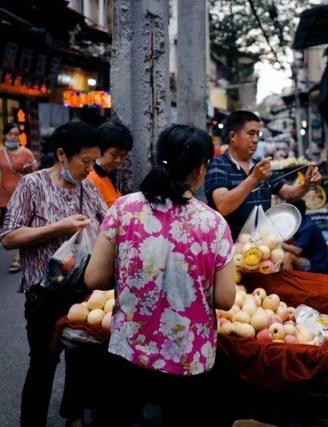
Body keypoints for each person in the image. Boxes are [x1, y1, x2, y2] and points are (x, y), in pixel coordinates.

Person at [84, 124, 236, 425]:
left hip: (129, 350)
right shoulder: (214, 224)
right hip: (188, 357)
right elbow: (225, 298)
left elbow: (94, 279)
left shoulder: (124, 209)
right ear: (201, 169)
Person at [0, 121, 107, 427]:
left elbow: (110, 223)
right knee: (43, 364)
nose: (90, 169)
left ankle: (72, 416)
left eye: (93, 162)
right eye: (85, 161)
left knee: (83, 358)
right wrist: (60, 227)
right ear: (62, 154)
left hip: (83, 292)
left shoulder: (88, 186)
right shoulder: (32, 185)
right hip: (45, 295)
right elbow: (9, 238)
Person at [204, 110, 322, 238]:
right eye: (251, 134)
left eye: (257, 134)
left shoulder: (260, 166)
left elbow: (288, 193)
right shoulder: (218, 165)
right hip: (230, 246)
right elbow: (223, 206)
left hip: (261, 245)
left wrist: (306, 185)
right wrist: (254, 178)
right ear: (233, 136)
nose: (255, 140)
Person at [0, 123, 38, 273]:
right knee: (8, 229)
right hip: (5, 197)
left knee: (22, 225)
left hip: (23, 195)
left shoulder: (26, 152)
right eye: (10, 134)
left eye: (16, 134)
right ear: (5, 135)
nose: (13, 137)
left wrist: (29, 169)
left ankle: (18, 257)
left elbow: (34, 173)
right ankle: (22, 251)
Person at [88, 120, 133, 207]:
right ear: (99, 149)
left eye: (123, 156)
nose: (118, 160)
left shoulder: (110, 173)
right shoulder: (90, 178)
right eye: (114, 155)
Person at [282, 199, 328, 274]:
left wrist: (279, 243)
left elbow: (297, 250)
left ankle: (288, 282)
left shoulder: (308, 227)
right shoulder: (301, 220)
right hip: (306, 256)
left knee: (287, 256)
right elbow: (291, 238)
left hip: (315, 264)